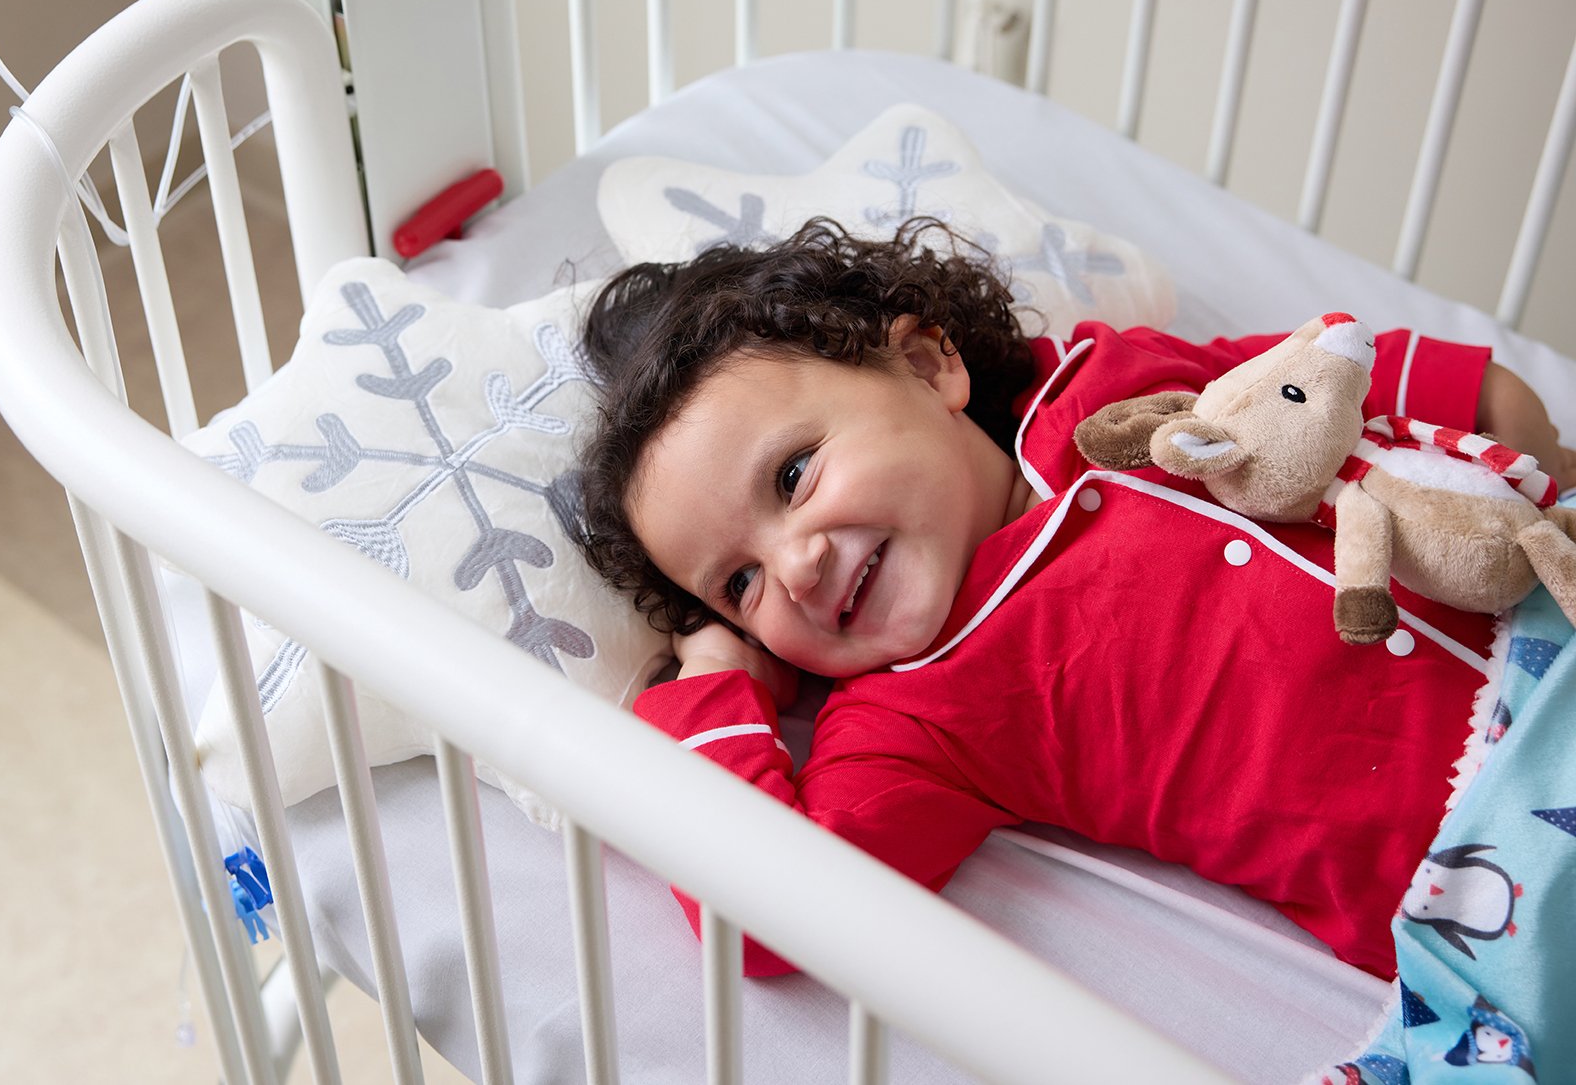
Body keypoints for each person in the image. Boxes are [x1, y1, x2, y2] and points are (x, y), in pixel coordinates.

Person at [577, 218, 1576, 979]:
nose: (791, 569)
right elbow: (765, 919)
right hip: (1500, 871)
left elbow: (1386, 382)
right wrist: (713, 678)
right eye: (736, 583)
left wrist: (1524, 457)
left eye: (792, 477)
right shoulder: (913, 716)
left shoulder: (1116, 384)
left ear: (928, 366)